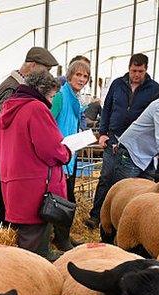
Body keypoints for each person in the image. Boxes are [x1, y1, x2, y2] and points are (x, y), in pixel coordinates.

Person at [0, 70, 71, 259]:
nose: (53, 101)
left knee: (27, 240)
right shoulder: (36, 109)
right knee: (36, 252)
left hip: (16, 185)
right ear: (43, 91)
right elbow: (51, 149)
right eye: (52, 95)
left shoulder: (10, 107)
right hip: (36, 189)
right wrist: (67, 152)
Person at [0, 46, 58, 227]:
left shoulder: (18, 86)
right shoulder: (13, 88)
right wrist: (9, 155)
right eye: (46, 69)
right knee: (5, 208)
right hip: (3, 156)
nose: (48, 74)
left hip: (6, 156)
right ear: (32, 66)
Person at [86, 53, 159, 229]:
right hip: (114, 137)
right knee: (106, 176)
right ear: (129, 68)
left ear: (146, 70)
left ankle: (117, 219)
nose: (136, 74)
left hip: (136, 143)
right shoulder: (118, 84)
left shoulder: (153, 88)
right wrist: (102, 133)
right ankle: (96, 215)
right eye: (134, 70)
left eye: (140, 71)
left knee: (125, 183)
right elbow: (107, 109)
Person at [49, 58, 90, 251]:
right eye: (78, 74)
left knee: (68, 197)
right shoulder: (61, 96)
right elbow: (49, 120)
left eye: (85, 76)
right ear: (69, 75)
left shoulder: (76, 98)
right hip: (59, 154)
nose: (82, 79)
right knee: (62, 199)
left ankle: (64, 236)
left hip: (70, 154)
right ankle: (60, 238)